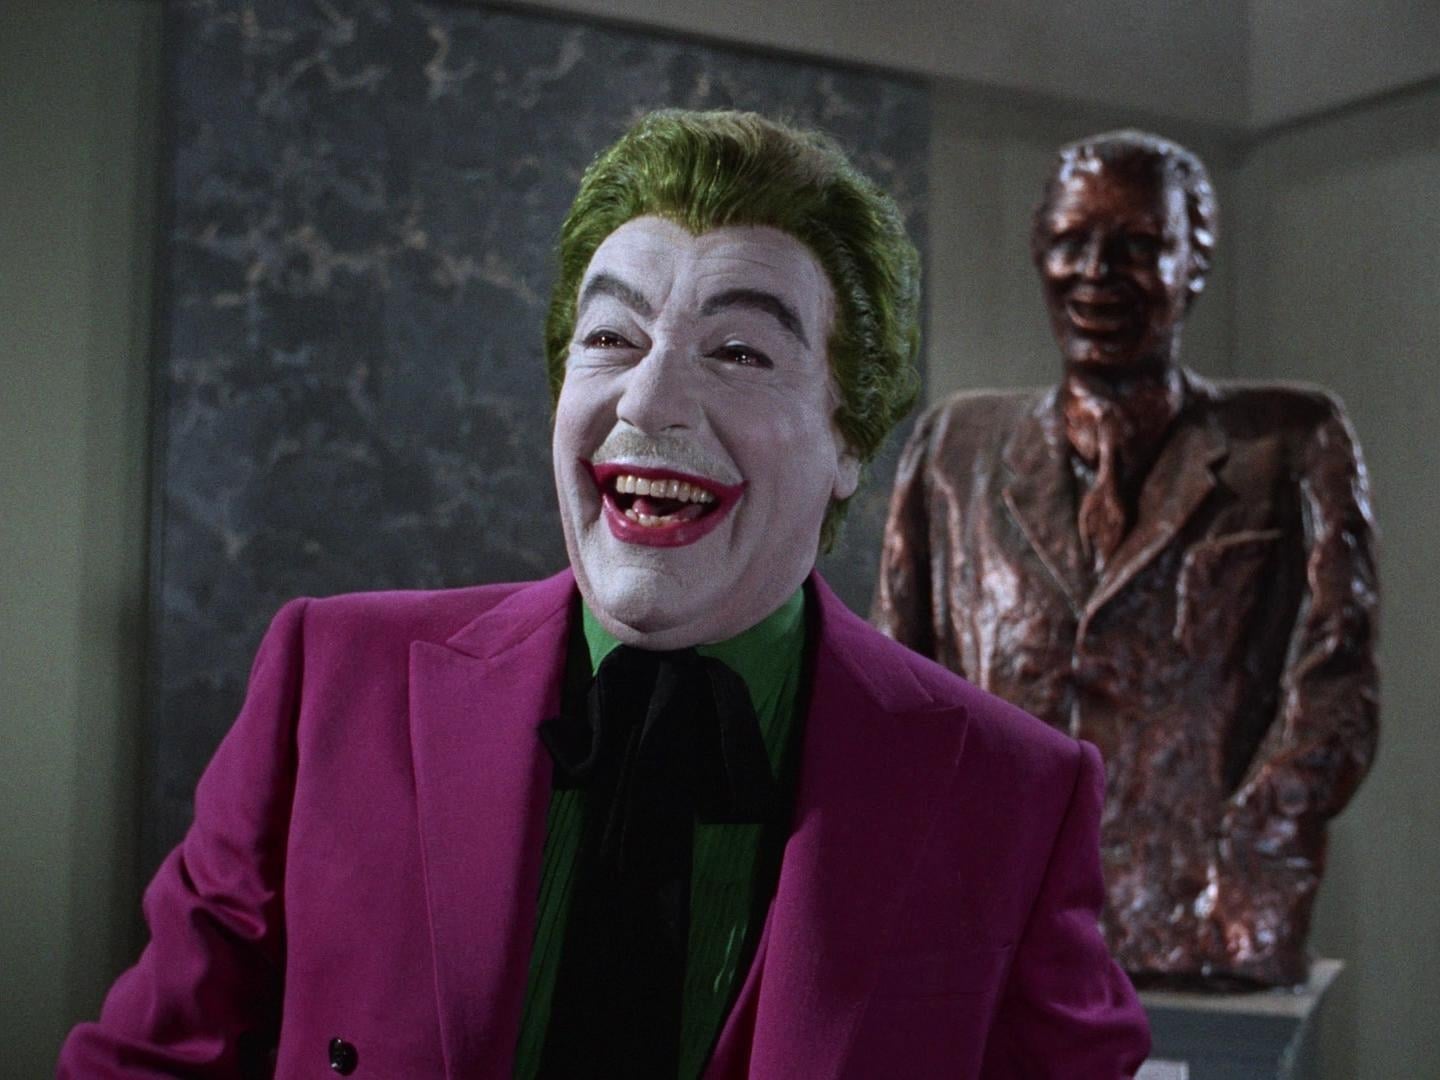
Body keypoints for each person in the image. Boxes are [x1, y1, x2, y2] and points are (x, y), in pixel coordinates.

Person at [62, 110, 1149, 1078]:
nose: (650, 398)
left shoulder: (1012, 796)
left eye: (739, 352)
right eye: (611, 340)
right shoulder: (329, 683)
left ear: (851, 440)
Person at [874, 129, 1378, 987]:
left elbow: (1337, 687)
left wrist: (1249, 873)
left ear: (1195, 262)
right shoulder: (954, 448)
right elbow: (898, 694)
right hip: (989, 925)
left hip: (1201, 916)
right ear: (1039, 253)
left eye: (1138, 245)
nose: (1096, 272)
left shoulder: (1291, 444)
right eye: (1071, 241)